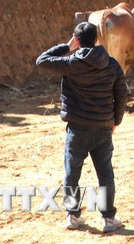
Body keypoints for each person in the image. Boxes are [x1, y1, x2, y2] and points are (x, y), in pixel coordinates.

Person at [35, 22, 127, 233]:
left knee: (72, 173)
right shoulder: (112, 64)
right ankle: (109, 219)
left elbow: (42, 60)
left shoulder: (71, 63)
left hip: (77, 128)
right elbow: (121, 93)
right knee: (105, 174)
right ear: (97, 40)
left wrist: (67, 47)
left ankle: (73, 215)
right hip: (103, 126)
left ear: (77, 41)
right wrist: (116, 121)